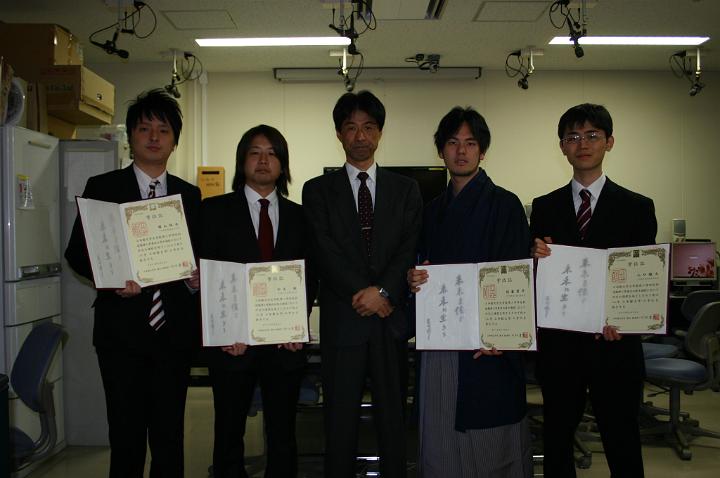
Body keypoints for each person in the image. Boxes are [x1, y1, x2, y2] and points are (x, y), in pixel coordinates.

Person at [64, 88, 201, 477]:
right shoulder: (103, 187)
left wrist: (195, 280)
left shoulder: (189, 195)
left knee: (169, 438)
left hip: (173, 336)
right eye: (144, 128)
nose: (154, 137)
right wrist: (110, 280)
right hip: (121, 335)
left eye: (164, 130)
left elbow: (199, 256)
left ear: (174, 141)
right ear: (131, 137)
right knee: (126, 438)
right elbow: (77, 252)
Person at [530, 103, 656, 477]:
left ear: (609, 142)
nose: (582, 144)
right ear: (562, 147)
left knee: (622, 442)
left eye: (592, 135)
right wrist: (533, 257)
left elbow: (643, 277)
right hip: (560, 348)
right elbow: (538, 278)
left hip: (615, 345)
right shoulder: (544, 207)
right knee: (557, 441)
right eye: (572, 137)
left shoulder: (637, 207)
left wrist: (628, 321)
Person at [302, 90, 422, 478]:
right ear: (339, 134)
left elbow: (409, 246)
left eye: (368, 127)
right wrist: (367, 294)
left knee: (393, 424)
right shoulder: (317, 190)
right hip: (343, 323)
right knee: (339, 425)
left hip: (389, 323)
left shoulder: (406, 189)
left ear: (380, 132)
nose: (360, 136)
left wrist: (383, 292)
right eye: (351, 128)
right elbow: (324, 251)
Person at [407, 107, 532, 477]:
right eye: (452, 142)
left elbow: (516, 275)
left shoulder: (505, 205)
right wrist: (413, 279)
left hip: (488, 346)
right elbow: (420, 266)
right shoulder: (431, 211)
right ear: (441, 150)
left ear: (483, 151)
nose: (461, 151)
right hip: (442, 342)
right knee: (441, 436)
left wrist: (503, 335)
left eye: (470, 143)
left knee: (491, 444)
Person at [199, 125, 316, 478]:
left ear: (283, 164)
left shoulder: (301, 216)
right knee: (228, 433)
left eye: (272, 153)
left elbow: (310, 277)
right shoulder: (213, 211)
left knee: (283, 436)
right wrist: (222, 331)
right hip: (232, 346)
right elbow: (207, 277)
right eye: (255, 152)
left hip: (284, 345)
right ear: (242, 161)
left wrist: (297, 324)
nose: (263, 160)